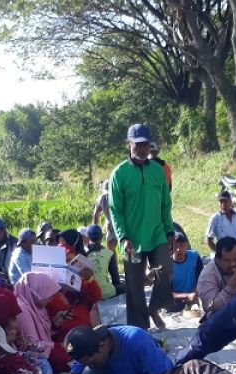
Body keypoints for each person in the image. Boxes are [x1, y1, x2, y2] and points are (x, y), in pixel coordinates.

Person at [110, 124, 174, 331]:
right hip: (132, 240)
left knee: (166, 270)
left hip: (157, 235)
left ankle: (154, 307)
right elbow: (115, 210)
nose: (143, 148)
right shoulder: (119, 174)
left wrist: (170, 230)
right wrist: (122, 237)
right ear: (129, 144)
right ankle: (140, 329)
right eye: (138, 144)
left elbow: (166, 204)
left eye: (146, 144)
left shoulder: (157, 170)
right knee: (134, 287)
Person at [14, 271, 69, 372]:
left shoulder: (38, 307)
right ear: (37, 292)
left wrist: (55, 324)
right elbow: (32, 344)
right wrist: (56, 346)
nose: (51, 299)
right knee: (67, 356)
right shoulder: (23, 310)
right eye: (48, 295)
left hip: (46, 348)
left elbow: (45, 335)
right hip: (34, 355)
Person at [197, 236, 236, 318]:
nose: (233, 264)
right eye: (227, 260)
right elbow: (211, 308)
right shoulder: (207, 275)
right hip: (222, 322)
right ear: (217, 259)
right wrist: (231, 287)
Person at [84, 224, 122, 299]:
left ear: (87, 238)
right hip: (106, 293)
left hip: (90, 295)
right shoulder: (109, 253)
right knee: (127, 286)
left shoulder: (83, 254)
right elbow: (115, 280)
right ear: (102, 237)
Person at [169, 231, 203, 311]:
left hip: (194, 297)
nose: (178, 249)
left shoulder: (195, 257)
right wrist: (187, 296)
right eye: (175, 246)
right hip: (175, 300)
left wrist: (194, 293)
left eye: (181, 245)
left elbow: (202, 279)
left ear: (186, 245)